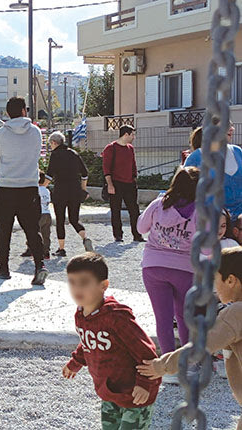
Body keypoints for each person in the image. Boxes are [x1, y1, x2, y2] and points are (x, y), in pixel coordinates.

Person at [137, 247, 242, 430]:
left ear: (231, 280)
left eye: (215, 280)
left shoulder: (235, 313)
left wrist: (161, 366)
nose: (214, 288)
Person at [62, 252, 161, 429]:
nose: (77, 288)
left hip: (135, 394)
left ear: (103, 286)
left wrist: (145, 384)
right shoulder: (81, 314)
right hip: (109, 392)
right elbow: (87, 343)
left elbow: (146, 351)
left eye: (84, 283)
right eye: (72, 282)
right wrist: (75, 363)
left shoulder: (116, 317)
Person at [136, 167, 199, 377]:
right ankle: (187, 363)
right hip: (185, 269)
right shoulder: (201, 211)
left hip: (153, 266)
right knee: (184, 317)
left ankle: (168, 368)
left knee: (163, 318)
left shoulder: (158, 204)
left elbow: (140, 229)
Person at [0, 97, 48, 285]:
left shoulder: (1, 133)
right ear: (24, 111)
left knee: (3, 229)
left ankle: (4, 267)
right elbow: (37, 154)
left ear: (7, 113)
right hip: (29, 187)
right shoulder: (36, 132)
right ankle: (39, 266)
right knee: (32, 229)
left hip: (6, 186)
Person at [45, 131, 94, 257]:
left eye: (50, 144)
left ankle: (61, 249)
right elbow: (84, 173)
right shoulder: (74, 153)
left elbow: (49, 175)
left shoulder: (55, 155)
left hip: (60, 191)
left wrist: (41, 187)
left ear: (54, 143)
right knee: (74, 219)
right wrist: (83, 189)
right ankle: (85, 238)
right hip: (75, 190)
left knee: (60, 220)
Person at [184, 123, 242, 218]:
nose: (232, 129)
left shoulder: (237, 151)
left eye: (231, 126)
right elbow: (184, 189)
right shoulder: (196, 157)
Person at [103, 125, 144, 243]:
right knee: (115, 210)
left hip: (130, 183)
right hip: (115, 183)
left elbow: (133, 165)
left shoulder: (130, 148)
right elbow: (106, 168)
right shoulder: (110, 148)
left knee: (134, 210)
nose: (134, 137)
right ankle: (118, 235)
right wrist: (110, 184)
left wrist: (134, 178)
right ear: (126, 134)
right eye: (132, 134)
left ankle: (137, 235)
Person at [21, 172, 52, 260]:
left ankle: (30, 249)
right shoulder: (46, 190)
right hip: (47, 213)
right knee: (46, 234)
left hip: (38, 214)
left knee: (33, 232)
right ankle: (46, 252)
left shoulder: (36, 190)